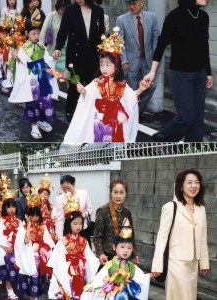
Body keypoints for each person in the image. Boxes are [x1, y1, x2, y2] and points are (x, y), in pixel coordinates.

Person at [144, 0, 213, 142]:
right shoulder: (175, 16)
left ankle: (193, 151)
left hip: (200, 74)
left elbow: (204, 46)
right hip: (180, 74)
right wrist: (152, 71)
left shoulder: (204, 17)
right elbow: (162, 43)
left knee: (197, 119)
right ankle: (160, 139)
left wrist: (208, 72)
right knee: (186, 117)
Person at [64, 29, 150, 143]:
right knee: (98, 140)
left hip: (116, 119)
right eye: (101, 64)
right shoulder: (97, 82)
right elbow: (89, 94)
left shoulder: (121, 84)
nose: (104, 68)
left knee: (114, 142)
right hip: (99, 118)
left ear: (116, 66)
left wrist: (140, 90)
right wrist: (83, 91)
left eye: (108, 65)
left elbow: (130, 98)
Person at [151, 169, 209, 300]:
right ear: (181, 186)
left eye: (196, 182)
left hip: (193, 264)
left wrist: (204, 262)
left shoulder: (201, 209)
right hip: (176, 264)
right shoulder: (171, 207)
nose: (193, 186)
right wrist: (157, 265)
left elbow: (203, 238)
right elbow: (162, 238)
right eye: (189, 182)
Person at [8, 13, 59, 140]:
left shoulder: (42, 46)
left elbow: (47, 60)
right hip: (30, 81)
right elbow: (27, 65)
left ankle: (41, 121)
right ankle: (34, 126)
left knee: (44, 102)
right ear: (26, 33)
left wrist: (53, 58)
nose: (36, 36)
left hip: (42, 80)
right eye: (33, 34)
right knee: (32, 104)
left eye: (38, 33)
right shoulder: (23, 49)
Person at [53, 0, 105, 122]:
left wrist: (105, 52)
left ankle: (89, 112)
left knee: (91, 85)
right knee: (74, 84)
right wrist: (58, 48)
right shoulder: (70, 10)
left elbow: (101, 33)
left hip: (93, 54)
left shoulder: (98, 11)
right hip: (75, 55)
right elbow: (62, 32)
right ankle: (70, 111)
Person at [81, 220, 151, 300]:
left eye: (129, 248)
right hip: (112, 294)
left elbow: (140, 278)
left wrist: (149, 276)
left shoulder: (131, 266)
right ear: (114, 247)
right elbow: (100, 277)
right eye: (122, 247)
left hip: (128, 295)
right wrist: (92, 286)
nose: (125, 250)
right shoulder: (111, 264)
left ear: (133, 249)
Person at [116, 0, 159, 117]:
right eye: (129, 4)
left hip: (148, 60)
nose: (131, 6)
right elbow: (119, 42)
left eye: (134, 3)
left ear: (142, 2)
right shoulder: (121, 19)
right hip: (130, 61)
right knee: (133, 88)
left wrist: (155, 59)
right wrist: (123, 59)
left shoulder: (152, 17)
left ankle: (137, 110)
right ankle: (131, 114)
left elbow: (156, 41)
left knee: (152, 86)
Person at [47, 206, 99, 299]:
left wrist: (99, 261)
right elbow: (56, 260)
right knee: (68, 291)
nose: (78, 226)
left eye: (80, 223)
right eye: (75, 223)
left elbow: (90, 258)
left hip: (81, 271)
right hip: (67, 272)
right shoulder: (63, 241)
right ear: (69, 224)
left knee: (80, 293)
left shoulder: (84, 241)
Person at [0, 198, 31, 300]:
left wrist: (28, 224)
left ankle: (20, 286)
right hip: (3, 247)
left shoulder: (19, 221)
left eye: (13, 206)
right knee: (7, 259)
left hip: (16, 247)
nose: (11, 209)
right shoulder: (0, 221)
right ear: (5, 208)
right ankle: (9, 287)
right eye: (9, 207)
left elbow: (22, 237)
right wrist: (5, 247)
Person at [18, 204, 55, 299]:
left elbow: (48, 242)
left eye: (37, 215)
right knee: (31, 277)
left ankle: (35, 296)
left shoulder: (43, 227)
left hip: (40, 256)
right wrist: (29, 225)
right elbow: (25, 241)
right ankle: (32, 296)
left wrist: (46, 253)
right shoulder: (23, 227)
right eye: (32, 215)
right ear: (27, 216)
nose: (35, 218)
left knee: (38, 278)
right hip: (28, 255)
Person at [93, 179, 134, 264]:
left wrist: (133, 254)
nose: (118, 196)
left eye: (121, 192)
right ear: (111, 193)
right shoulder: (103, 211)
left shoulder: (127, 212)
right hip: (107, 257)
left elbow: (131, 236)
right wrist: (100, 254)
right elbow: (97, 236)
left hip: (124, 256)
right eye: (115, 192)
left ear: (126, 194)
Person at [55, 174, 93, 244]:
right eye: (64, 189)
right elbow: (59, 220)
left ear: (74, 184)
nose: (66, 191)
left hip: (83, 228)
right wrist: (60, 238)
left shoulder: (83, 194)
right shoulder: (59, 199)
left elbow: (90, 209)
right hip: (68, 230)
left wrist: (85, 214)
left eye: (68, 188)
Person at [40, 0, 71, 72]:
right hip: (53, 50)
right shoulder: (51, 16)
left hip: (67, 50)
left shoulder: (71, 16)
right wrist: (41, 48)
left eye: (65, 10)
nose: (63, 12)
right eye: (61, 10)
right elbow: (43, 32)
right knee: (53, 73)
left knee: (66, 74)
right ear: (57, 8)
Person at [38, 173, 57, 243]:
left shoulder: (52, 207)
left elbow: (54, 218)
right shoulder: (35, 206)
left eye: (47, 195)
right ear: (39, 194)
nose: (45, 196)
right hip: (38, 227)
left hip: (49, 228)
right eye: (43, 194)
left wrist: (50, 223)